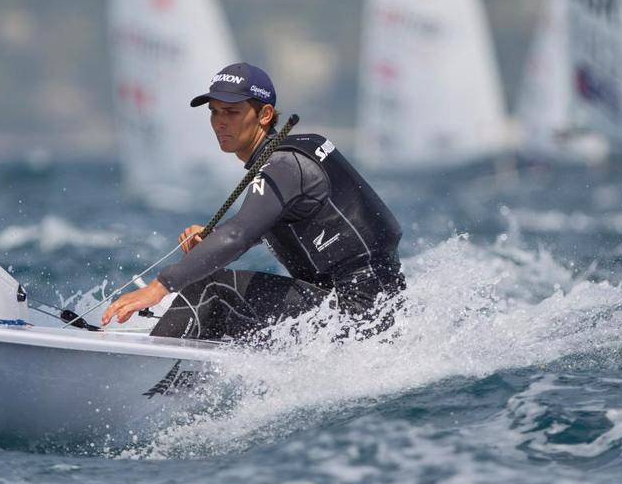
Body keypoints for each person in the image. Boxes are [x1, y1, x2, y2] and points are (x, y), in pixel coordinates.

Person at [101, 62, 405, 341]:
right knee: (210, 295)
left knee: (209, 289)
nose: (220, 123)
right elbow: (265, 222)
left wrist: (160, 287)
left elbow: (239, 234)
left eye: (231, 112)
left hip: (354, 313)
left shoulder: (284, 165)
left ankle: (147, 370)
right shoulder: (292, 154)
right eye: (214, 112)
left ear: (265, 115)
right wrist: (213, 237)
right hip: (368, 308)